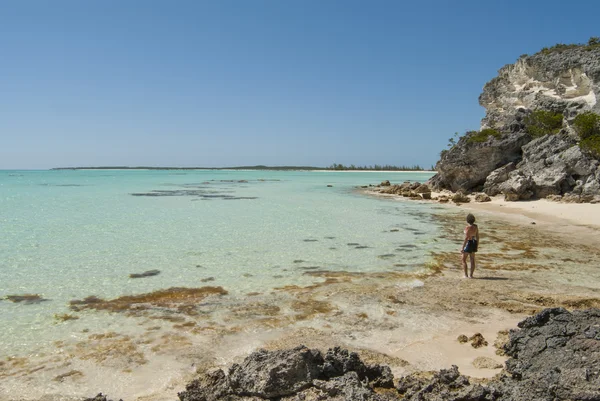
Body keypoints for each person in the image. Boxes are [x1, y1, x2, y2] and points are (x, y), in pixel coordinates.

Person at [461, 213, 479, 278]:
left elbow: (466, 238)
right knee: (472, 259)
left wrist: (462, 247)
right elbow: (477, 236)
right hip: (474, 242)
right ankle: (471, 275)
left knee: (463, 260)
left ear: (467, 220)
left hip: (469, 242)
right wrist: (477, 245)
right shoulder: (476, 226)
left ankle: (466, 275)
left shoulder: (467, 227)